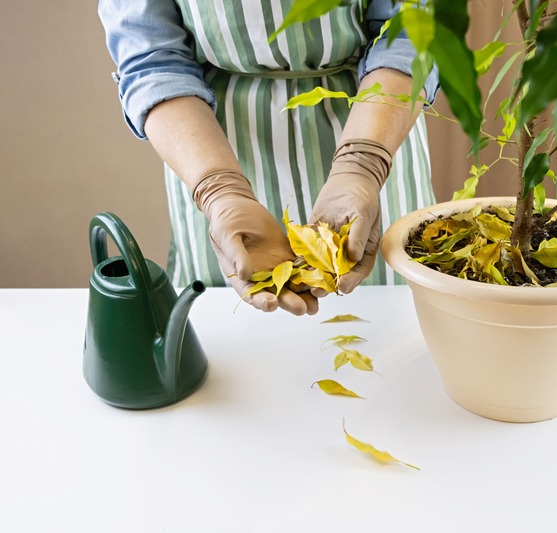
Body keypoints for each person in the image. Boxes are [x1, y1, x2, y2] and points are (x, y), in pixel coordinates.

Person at [98, 0, 439, 316]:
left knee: (391, 330)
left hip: (373, 125)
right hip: (209, 141)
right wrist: (219, 190)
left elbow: (412, 27)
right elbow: (151, 60)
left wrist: (362, 163)